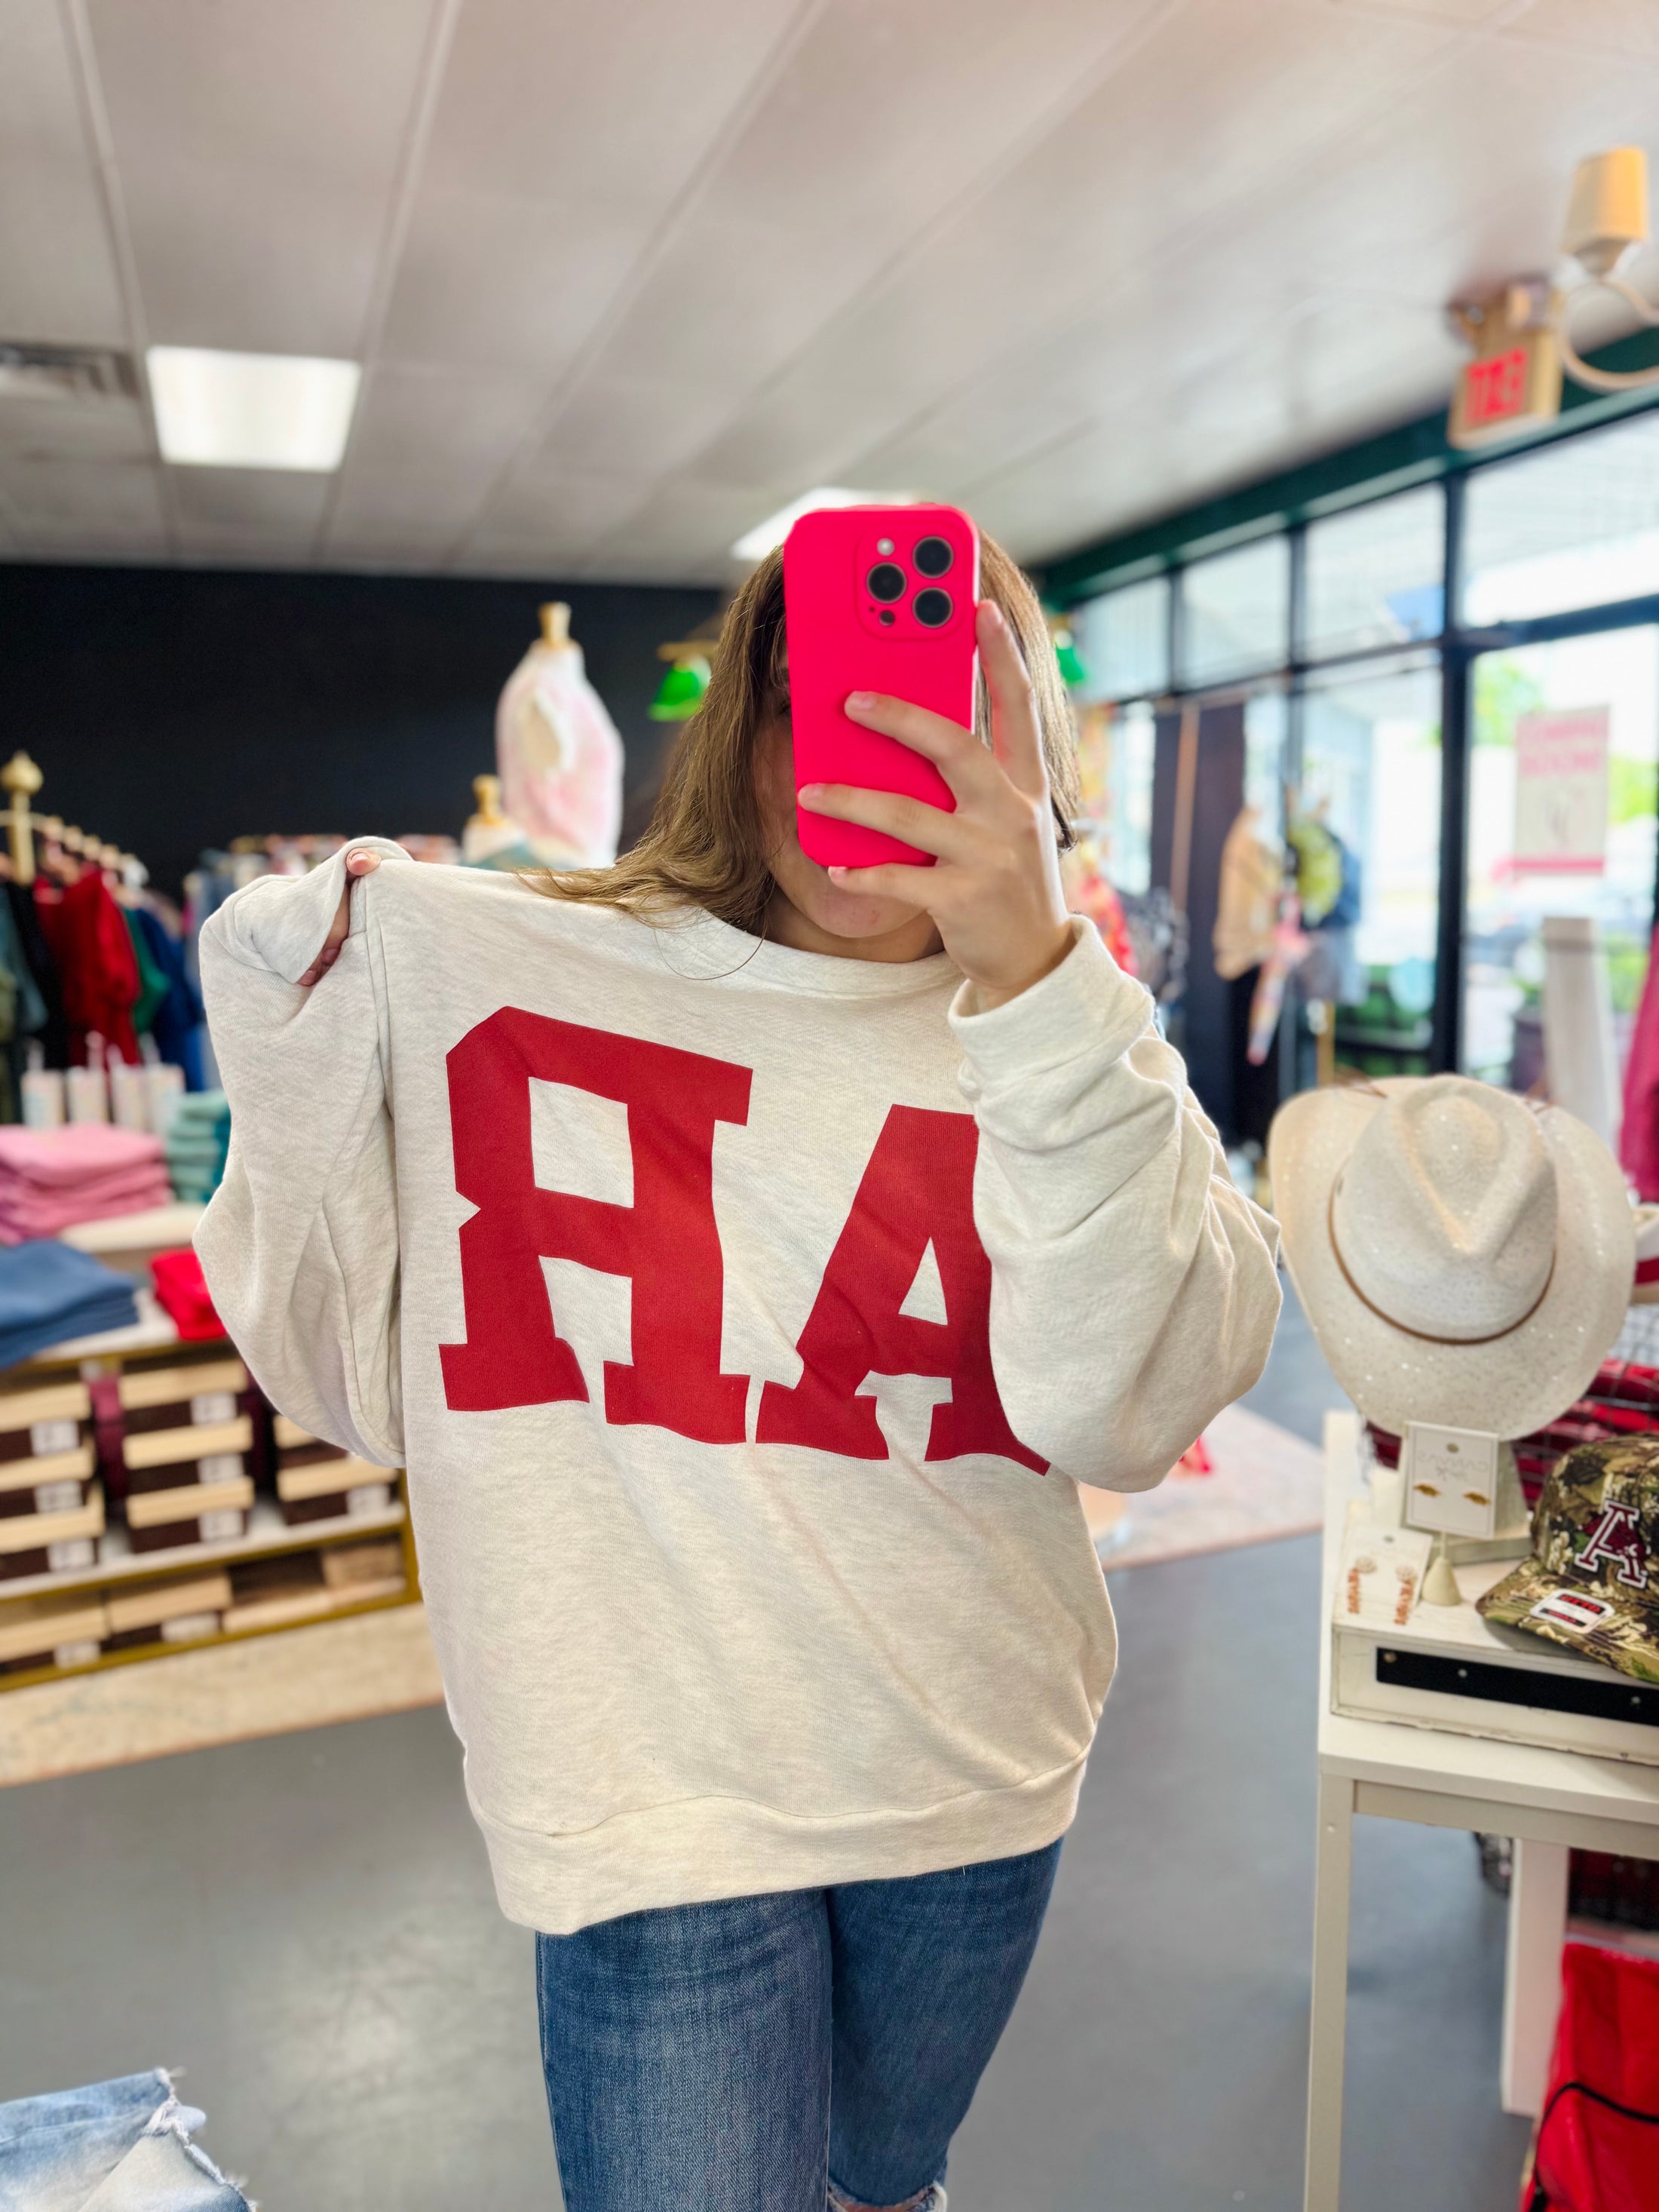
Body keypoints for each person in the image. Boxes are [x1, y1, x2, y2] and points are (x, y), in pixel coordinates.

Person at [196, 529, 1281, 2212]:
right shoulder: (529, 965)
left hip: (965, 1767)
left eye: (938, 705)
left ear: (1026, 753)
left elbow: (1128, 1410)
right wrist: (296, 1023)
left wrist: (1040, 971)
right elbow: (337, 1374)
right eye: (812, 702)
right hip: (649, 1779)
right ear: (740, 738)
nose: (865, 754)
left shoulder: (1074, 1032)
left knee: (882, 2181)